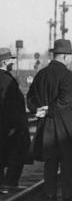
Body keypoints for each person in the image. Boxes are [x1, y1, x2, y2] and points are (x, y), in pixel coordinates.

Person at [26, 39, 72, 201]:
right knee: (67, 160)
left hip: (46, 124)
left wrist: (37, 109)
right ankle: (69, 194)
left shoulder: (41, 74)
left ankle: (49, 194)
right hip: (65, 125)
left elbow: (30, 96)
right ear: (66, 56)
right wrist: (49, 109)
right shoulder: (66, 74)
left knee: (50, 160)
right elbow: (66, 98)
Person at [0, 48, 31, 192]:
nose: (13, 62)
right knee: (15, 155)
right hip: (10, 127)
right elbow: (9, 105)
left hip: (5, 125)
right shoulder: (6, 80)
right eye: (11, 59)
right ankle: (9, 184)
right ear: (5, 62)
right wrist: (14, 125)